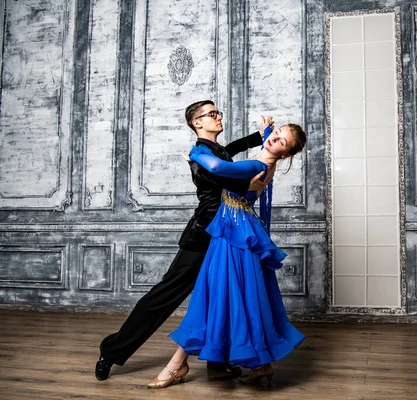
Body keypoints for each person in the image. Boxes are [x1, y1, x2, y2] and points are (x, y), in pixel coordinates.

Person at [95, 100, 272, 381]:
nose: (218, 116)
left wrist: (260, 137)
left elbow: (232, 149)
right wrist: (252, 178)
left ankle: (216, 360)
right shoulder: (200, 154)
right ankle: (112, 351)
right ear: (196, 123)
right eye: (211, 114)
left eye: (218, 112)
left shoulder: (216, 150)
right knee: (164, 296)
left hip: (227, 232)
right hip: (204, 234)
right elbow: (220, 178)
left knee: (223, 296)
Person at [146, 122, 307, 389]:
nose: (274, 140)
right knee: (234, 297)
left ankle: (177, 364)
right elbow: (247, 155)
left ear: (286, 154)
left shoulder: (258, 166)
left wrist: (195, 154)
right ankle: (260, 364)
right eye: (276, 133)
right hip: (237, 228)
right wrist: (265, 134)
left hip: (234, 234)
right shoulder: (267, 164)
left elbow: (220, 167)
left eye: (281, 142)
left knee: (214, 295)